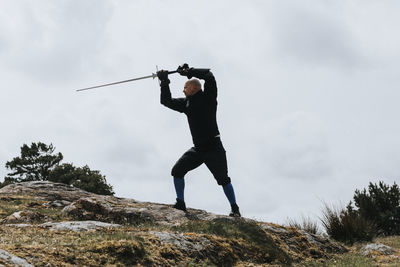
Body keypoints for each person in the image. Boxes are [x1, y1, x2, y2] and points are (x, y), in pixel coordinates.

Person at [157, 64, 241, 217]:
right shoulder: (186, 103)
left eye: (185, 87)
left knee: (223, 179)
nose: (183, 90)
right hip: (198, 149)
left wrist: (189, 72)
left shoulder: (209, 98)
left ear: (194, 88)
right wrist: (164, 81)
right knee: (177, 171)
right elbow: (166, 101)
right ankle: (181, 203)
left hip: (214, 147)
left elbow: (209, 76)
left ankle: (235, 209)